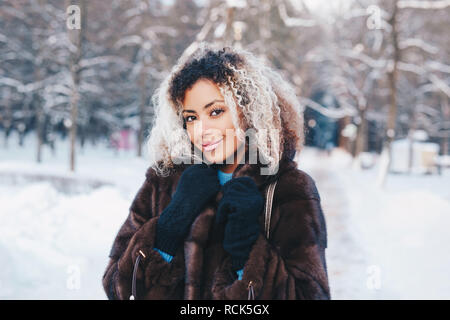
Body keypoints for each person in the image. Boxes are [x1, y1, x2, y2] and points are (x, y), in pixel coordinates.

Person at [102, 42, 330, 300]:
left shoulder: (288, 189)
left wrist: (246, 251)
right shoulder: (163, 181)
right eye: (191, 117)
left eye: (216, 111)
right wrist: (168, 226)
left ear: (247, 111)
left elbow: (309, 295)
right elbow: (118, 290)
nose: (201, 129)